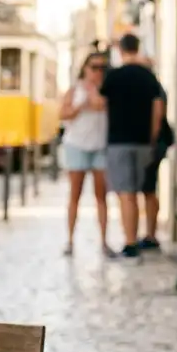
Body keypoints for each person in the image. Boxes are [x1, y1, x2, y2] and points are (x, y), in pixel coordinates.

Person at [100, 34, 166, 260]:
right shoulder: (148, 77)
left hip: (119, 141)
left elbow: (101, 104)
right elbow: (158, 108)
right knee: (148, 190)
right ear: (138, 47)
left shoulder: (113, 76)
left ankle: (130, 241)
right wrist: (152, 137)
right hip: (143, 141)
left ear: (121, 50)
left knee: (126, 194)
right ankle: (150, 235)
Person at [57, 52, 112, 257]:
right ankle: (70, 240)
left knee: (101, 196)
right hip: (77, 145)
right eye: (94, 67)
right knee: (75, 195)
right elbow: (63, 113)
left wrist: (95, 97)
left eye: (101, 68)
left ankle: (104, 241)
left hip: (99, 146)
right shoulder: (75, 89)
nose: (97, 71)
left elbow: (101, 106)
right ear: (85, 68)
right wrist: (82, 104)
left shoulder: (107, 89)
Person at [134, 54, 175, 251]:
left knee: (148, 188)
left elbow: (158, 115)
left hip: (152, 143)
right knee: (147, 188)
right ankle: (148, 232)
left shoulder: (153, 88)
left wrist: (150, 141)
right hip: (152, 142)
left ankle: (151, 233)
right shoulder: (153, 87)